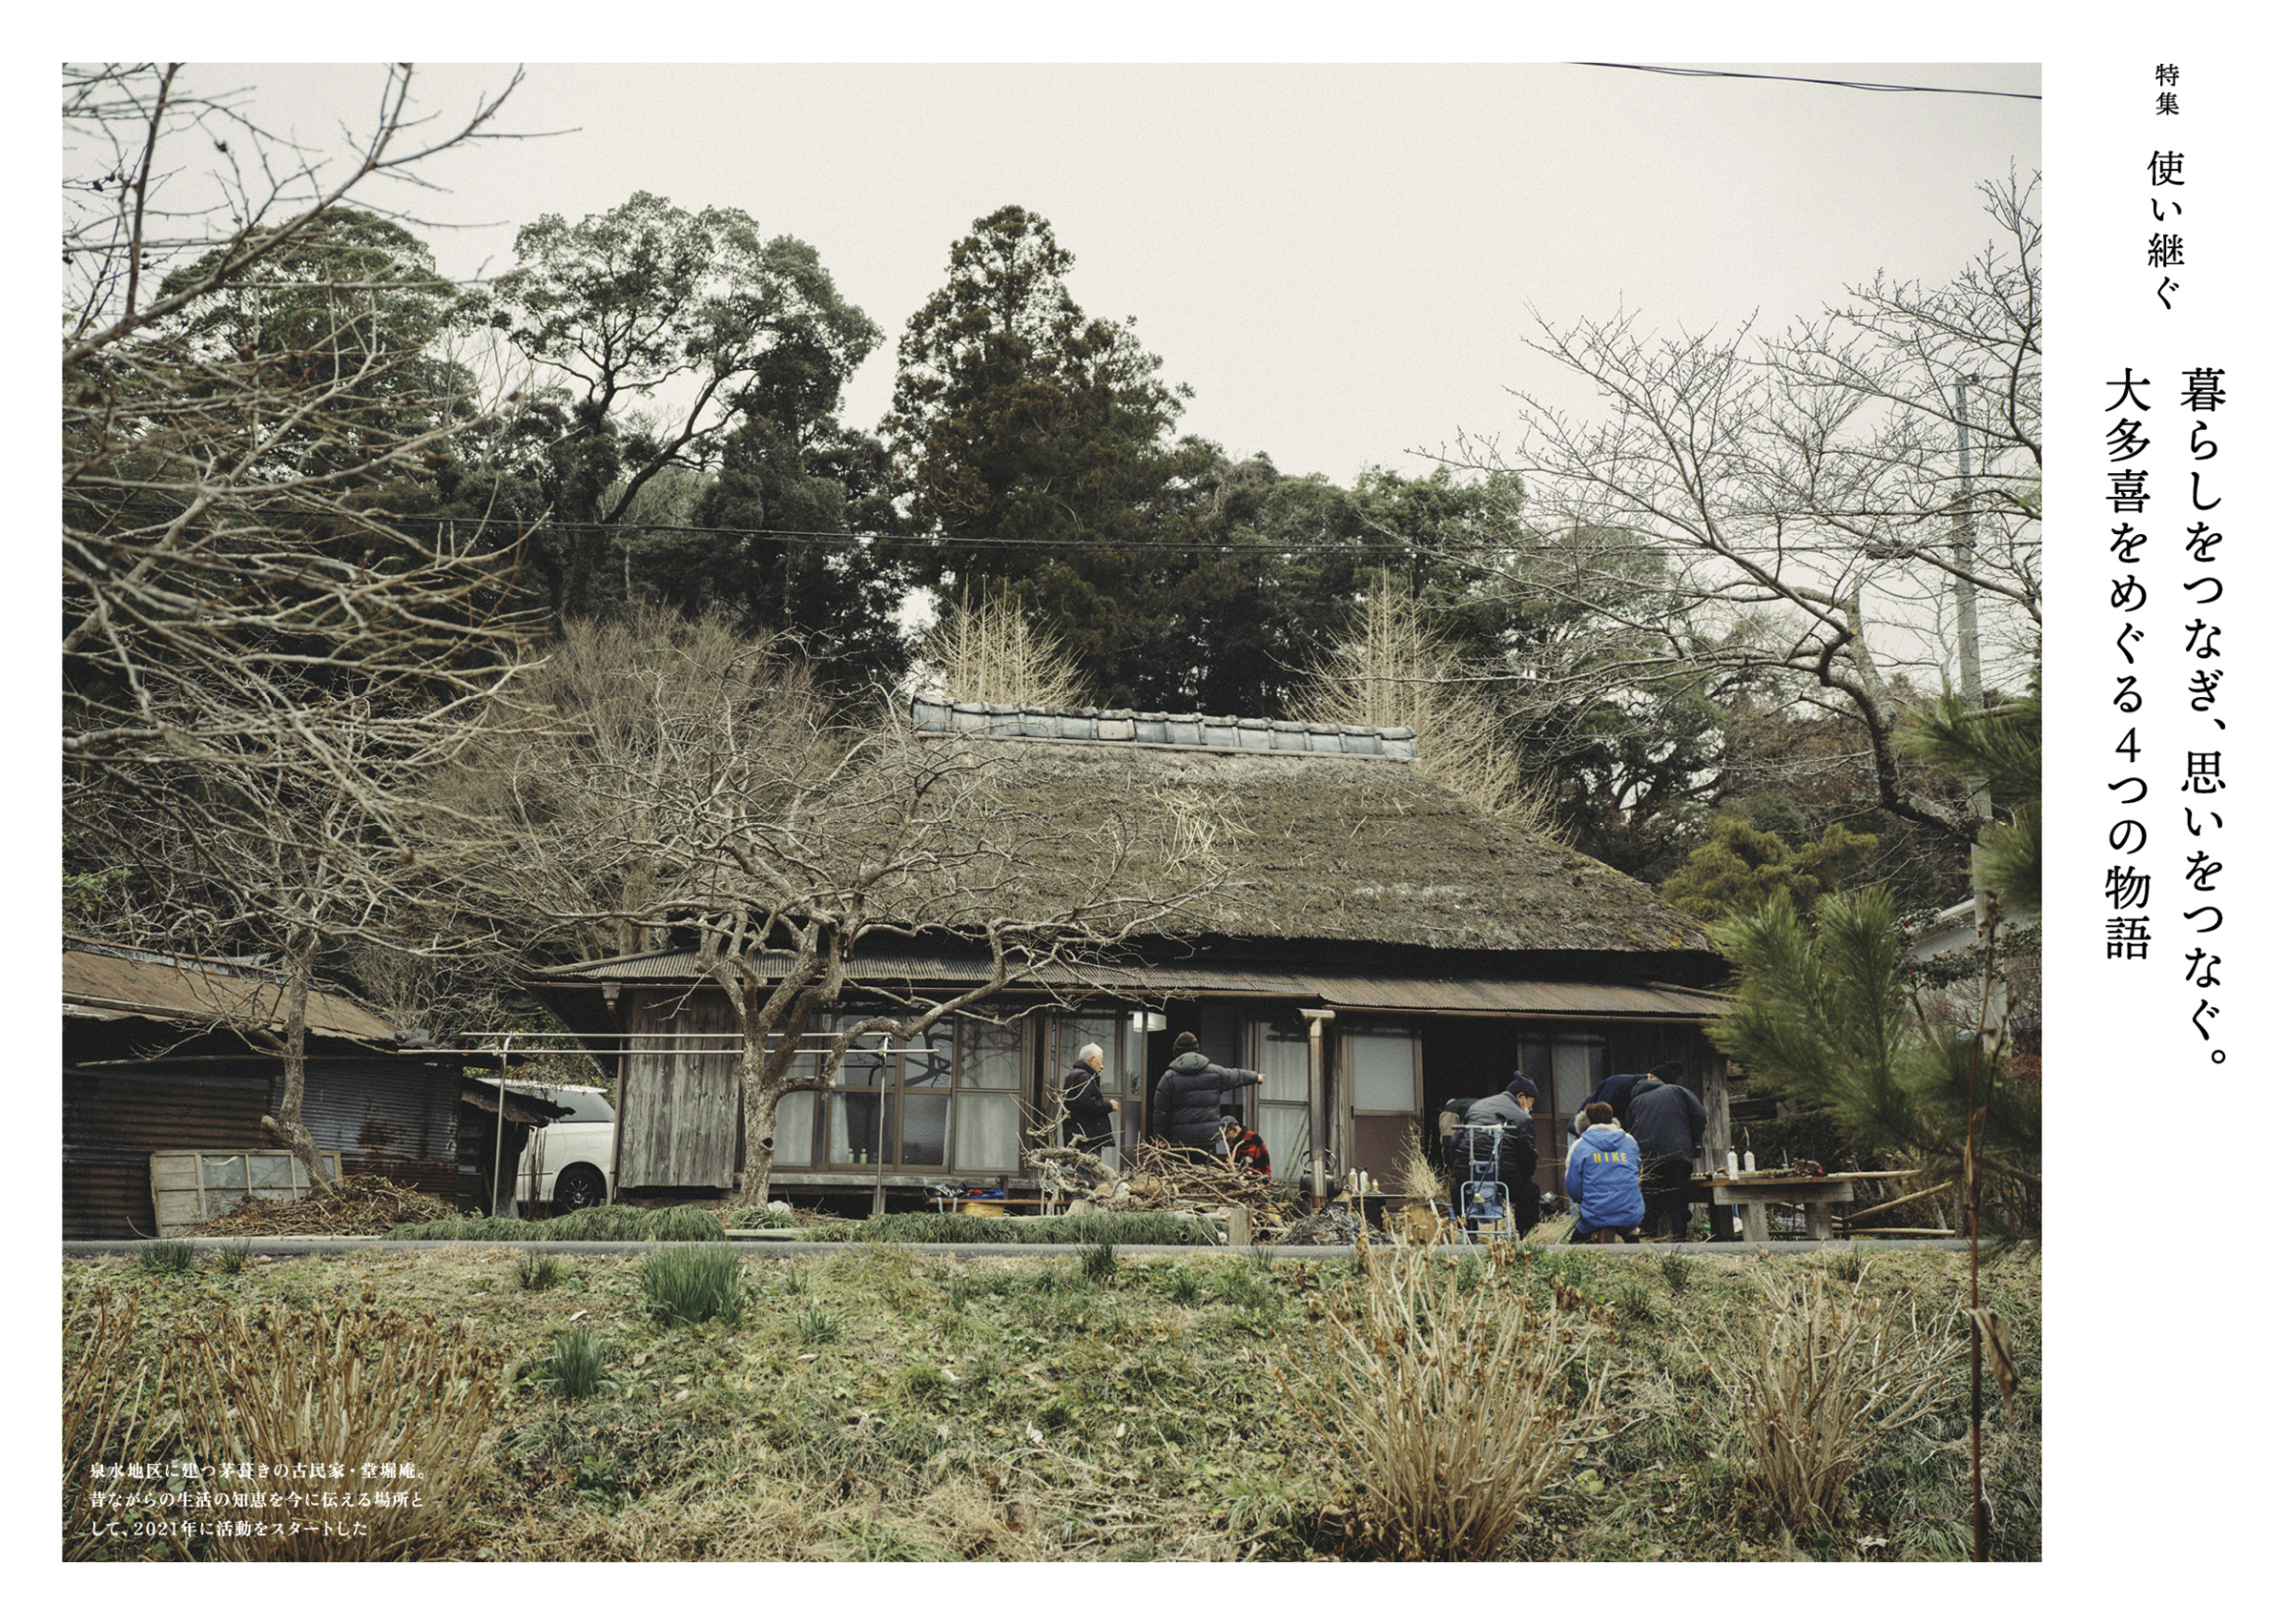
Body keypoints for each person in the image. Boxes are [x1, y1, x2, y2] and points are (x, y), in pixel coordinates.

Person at [1151, 1033, 1264, 1161]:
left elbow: (1161, 1113)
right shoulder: (1215, 1073)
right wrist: (1255, 1077)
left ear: (1176, 1053)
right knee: (1203, 1172)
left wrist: (1160, 1138)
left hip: (1178, 1142)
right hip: (1206, 1140)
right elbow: (1236, 1075)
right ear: (1197, 1051)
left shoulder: (1168, 1078)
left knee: (1178, 1172)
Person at [1626, 1064, 1707, 1241]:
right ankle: (1679, 1239)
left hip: (1647, 1157)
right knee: (1678, 1198)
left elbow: (1630, 1132)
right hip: (1677, 1153)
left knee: (1650, 1200)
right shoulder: (1678, 1091)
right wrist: (1691, 1140)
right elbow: (1700, 1116)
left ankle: (1649, 1241)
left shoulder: (1635, 1101)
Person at [1452, 1074, 1540, 1228]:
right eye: (1531, 1103)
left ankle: (1468, 1233)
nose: (1530, 1108)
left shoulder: (1477, 1106)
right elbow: (1527, 1155)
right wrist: (1526, 1176)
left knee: (1456, 1186)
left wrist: (1457, 1167)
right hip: (1504, 1175)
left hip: (1468, 1171)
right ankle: (1526, 1235)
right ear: (1521, 1096)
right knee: (1531, 1191)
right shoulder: (1523, 1118)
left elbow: (1454, 1142)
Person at [1565, 1100, 1644, 1242]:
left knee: (1579, 1237)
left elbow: (1573, 1186)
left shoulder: (1580, 1145)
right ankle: (1633, 1242)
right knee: (1628, 1227)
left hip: (1595, 1213)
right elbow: (1636, 1172)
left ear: (1587, 1120)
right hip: (1630, 1212)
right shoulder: (1629, 1141)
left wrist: (1585, 1200)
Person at [1574, 1060, 1686, 1135]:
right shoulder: (1618, 1084)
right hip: (1584, 1132)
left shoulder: (1643, 1095)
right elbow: (1598, 1113)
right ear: (1650, 1077)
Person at [1060, 1042, 1114, 1154]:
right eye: (1101, 1061)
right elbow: (1088, 1104)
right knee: (1089, 1165)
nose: (1102, 1066)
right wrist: (1109, 1106)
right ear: (1092, 1059)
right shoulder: (1084, 1077)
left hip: (1078, 1137)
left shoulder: (1074, 1075)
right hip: (1086, 1139)